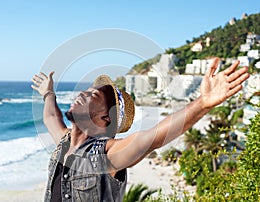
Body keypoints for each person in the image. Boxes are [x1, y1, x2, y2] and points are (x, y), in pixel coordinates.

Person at [31, 58, 249, 202]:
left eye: (93, 96)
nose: (82, 94)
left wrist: (203, 103)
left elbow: (153, 138)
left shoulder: (108, 154)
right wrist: (48, 93)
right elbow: (51, 116)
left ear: (105, 117)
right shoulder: (64, 142)